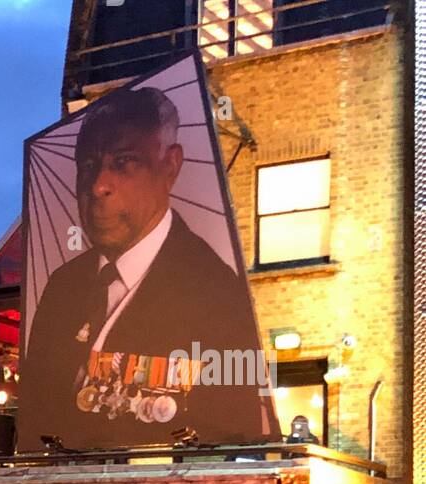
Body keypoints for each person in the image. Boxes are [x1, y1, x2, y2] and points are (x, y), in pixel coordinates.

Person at [18, 86, 278, 451]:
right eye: (88, 167)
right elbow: (33, 426)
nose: (98, 186)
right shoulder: (63, 287)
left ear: (170, 166)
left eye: (123, 162)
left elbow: (233, 438)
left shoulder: (216, 291)